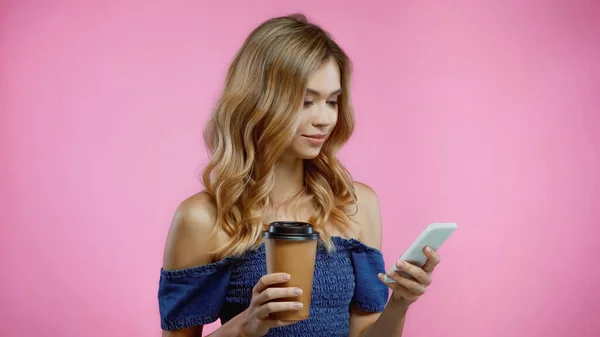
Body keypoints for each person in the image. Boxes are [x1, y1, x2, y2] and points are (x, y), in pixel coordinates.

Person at [158, 13, 441, 337]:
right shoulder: (203, 219)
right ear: (259, 101)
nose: (324, 119)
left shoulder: (356, 205)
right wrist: (247, 325)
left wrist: (399, 303)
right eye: (306, 101)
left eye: (332, 101)